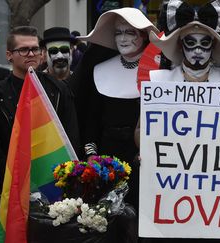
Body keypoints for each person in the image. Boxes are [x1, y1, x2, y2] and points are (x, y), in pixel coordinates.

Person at [136, 0, 220, 242]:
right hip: (170, 194)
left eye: (205, 43)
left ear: (214, 46)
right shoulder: (159, 83)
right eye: (191, 43)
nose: (198, 50)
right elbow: (142, 128)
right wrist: (146, 150)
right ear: (181, 46)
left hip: (215, 197)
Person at [0, 26, 80, 238]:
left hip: (54, 187)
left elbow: (71, 136)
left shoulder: (59, 89)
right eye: (23, 50)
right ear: (9, 55)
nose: (31, 54)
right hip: (10, 185)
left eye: (35, 49)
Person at [71, 7, 158, 210]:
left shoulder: (158, 71)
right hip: (106, 159)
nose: (123, 38)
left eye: (130, 32)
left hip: (144, 159)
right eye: (118, 32)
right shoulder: (99, 70)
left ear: (144, 36)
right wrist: (91, 155)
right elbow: (90, 121)